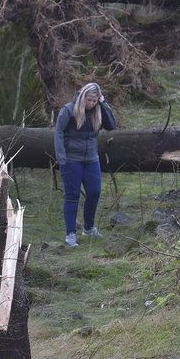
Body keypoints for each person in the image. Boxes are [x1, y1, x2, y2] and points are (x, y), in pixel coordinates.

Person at [54, 82, 117, 247]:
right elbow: (59, 132)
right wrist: (61, 158)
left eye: (94, 101)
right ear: (83, 97)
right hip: (71, 160)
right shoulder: (68, 110)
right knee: (72, 196)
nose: (90, 103)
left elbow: (112, 125)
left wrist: (103, 103)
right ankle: (71, 235)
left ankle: (88, 228)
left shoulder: (98, 110)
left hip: (91, 159)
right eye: (88, 100)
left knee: (95, 192)